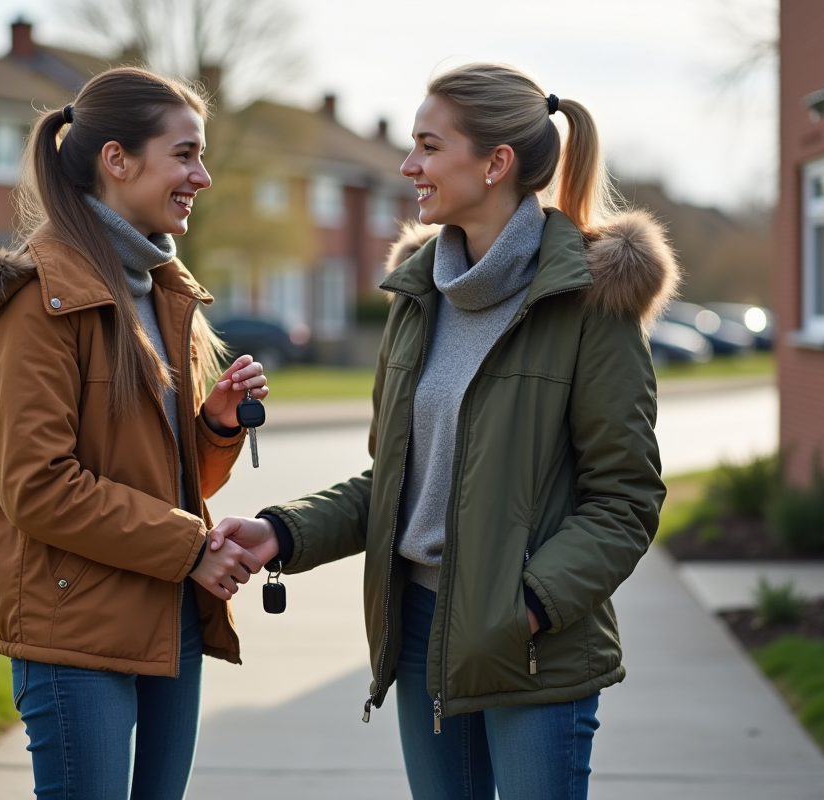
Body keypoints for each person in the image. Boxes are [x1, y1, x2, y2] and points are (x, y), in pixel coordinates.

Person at [211, 62, 679, 799]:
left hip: (531, 646)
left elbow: (625, 500)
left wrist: (523, 609)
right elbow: (396, 482)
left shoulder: (591, 305)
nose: (408, 166)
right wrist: (284, 532)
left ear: (495, 164)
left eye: (428, 146)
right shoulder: (417, 297)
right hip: (421, 633)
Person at [0, 67, 267, 799]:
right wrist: (191, 550)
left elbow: (163, 482)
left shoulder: (161, 290)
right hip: (74, 632)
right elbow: (39, 488)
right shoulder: (35, 301)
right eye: (185, 154)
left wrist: (210, 430)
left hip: (169, 614)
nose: (202, 176)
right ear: (117, 160)